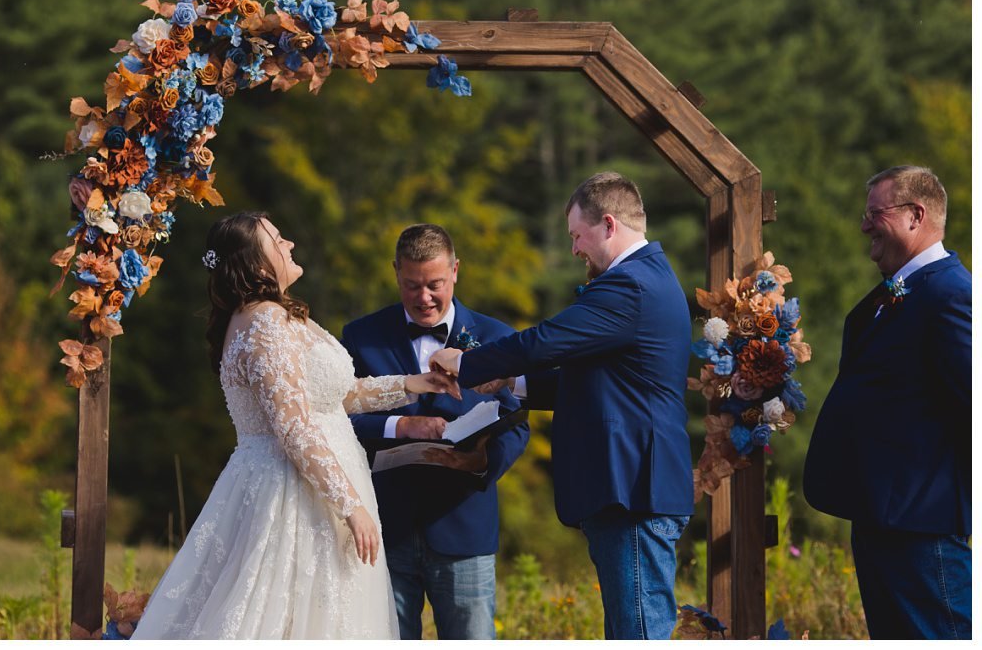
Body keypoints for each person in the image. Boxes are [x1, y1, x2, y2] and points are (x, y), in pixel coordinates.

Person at [131, 211, 459, 640]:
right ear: (257, 263)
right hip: (295, 496)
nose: (289, 245)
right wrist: (350, 505)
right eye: (278, 240)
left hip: (313, 484)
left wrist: (413, 384)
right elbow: (294, 427)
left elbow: (336, 396)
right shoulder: (265, 323)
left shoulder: (280, 317)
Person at [431, 172, 694, 640]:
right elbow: (595, 381)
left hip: (632, 488)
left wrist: (467, 362)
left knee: (637, 633)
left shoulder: (630, 286)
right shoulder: (645, 279)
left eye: (577, 235)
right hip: (629, 485)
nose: (575, 249)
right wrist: (511, 379)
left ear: (608, 225)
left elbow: (547, 340)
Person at [803, 166, 971, 640]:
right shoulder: (898, 294)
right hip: (885, 519)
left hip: (923, 526)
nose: (863, 225)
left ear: (916, 216)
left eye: (875, 213)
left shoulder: (950, 296)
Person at [341, 223, 530, 640]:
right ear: (396, 272)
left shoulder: (498, 337)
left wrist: (484, 461)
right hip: (385, 527)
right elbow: (337, 418)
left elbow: (518, 425)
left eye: (435, 284)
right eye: (412, 286)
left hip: (464, 524)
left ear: (456, 271)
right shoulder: (361, 337)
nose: (424, 297)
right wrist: (400, 425)